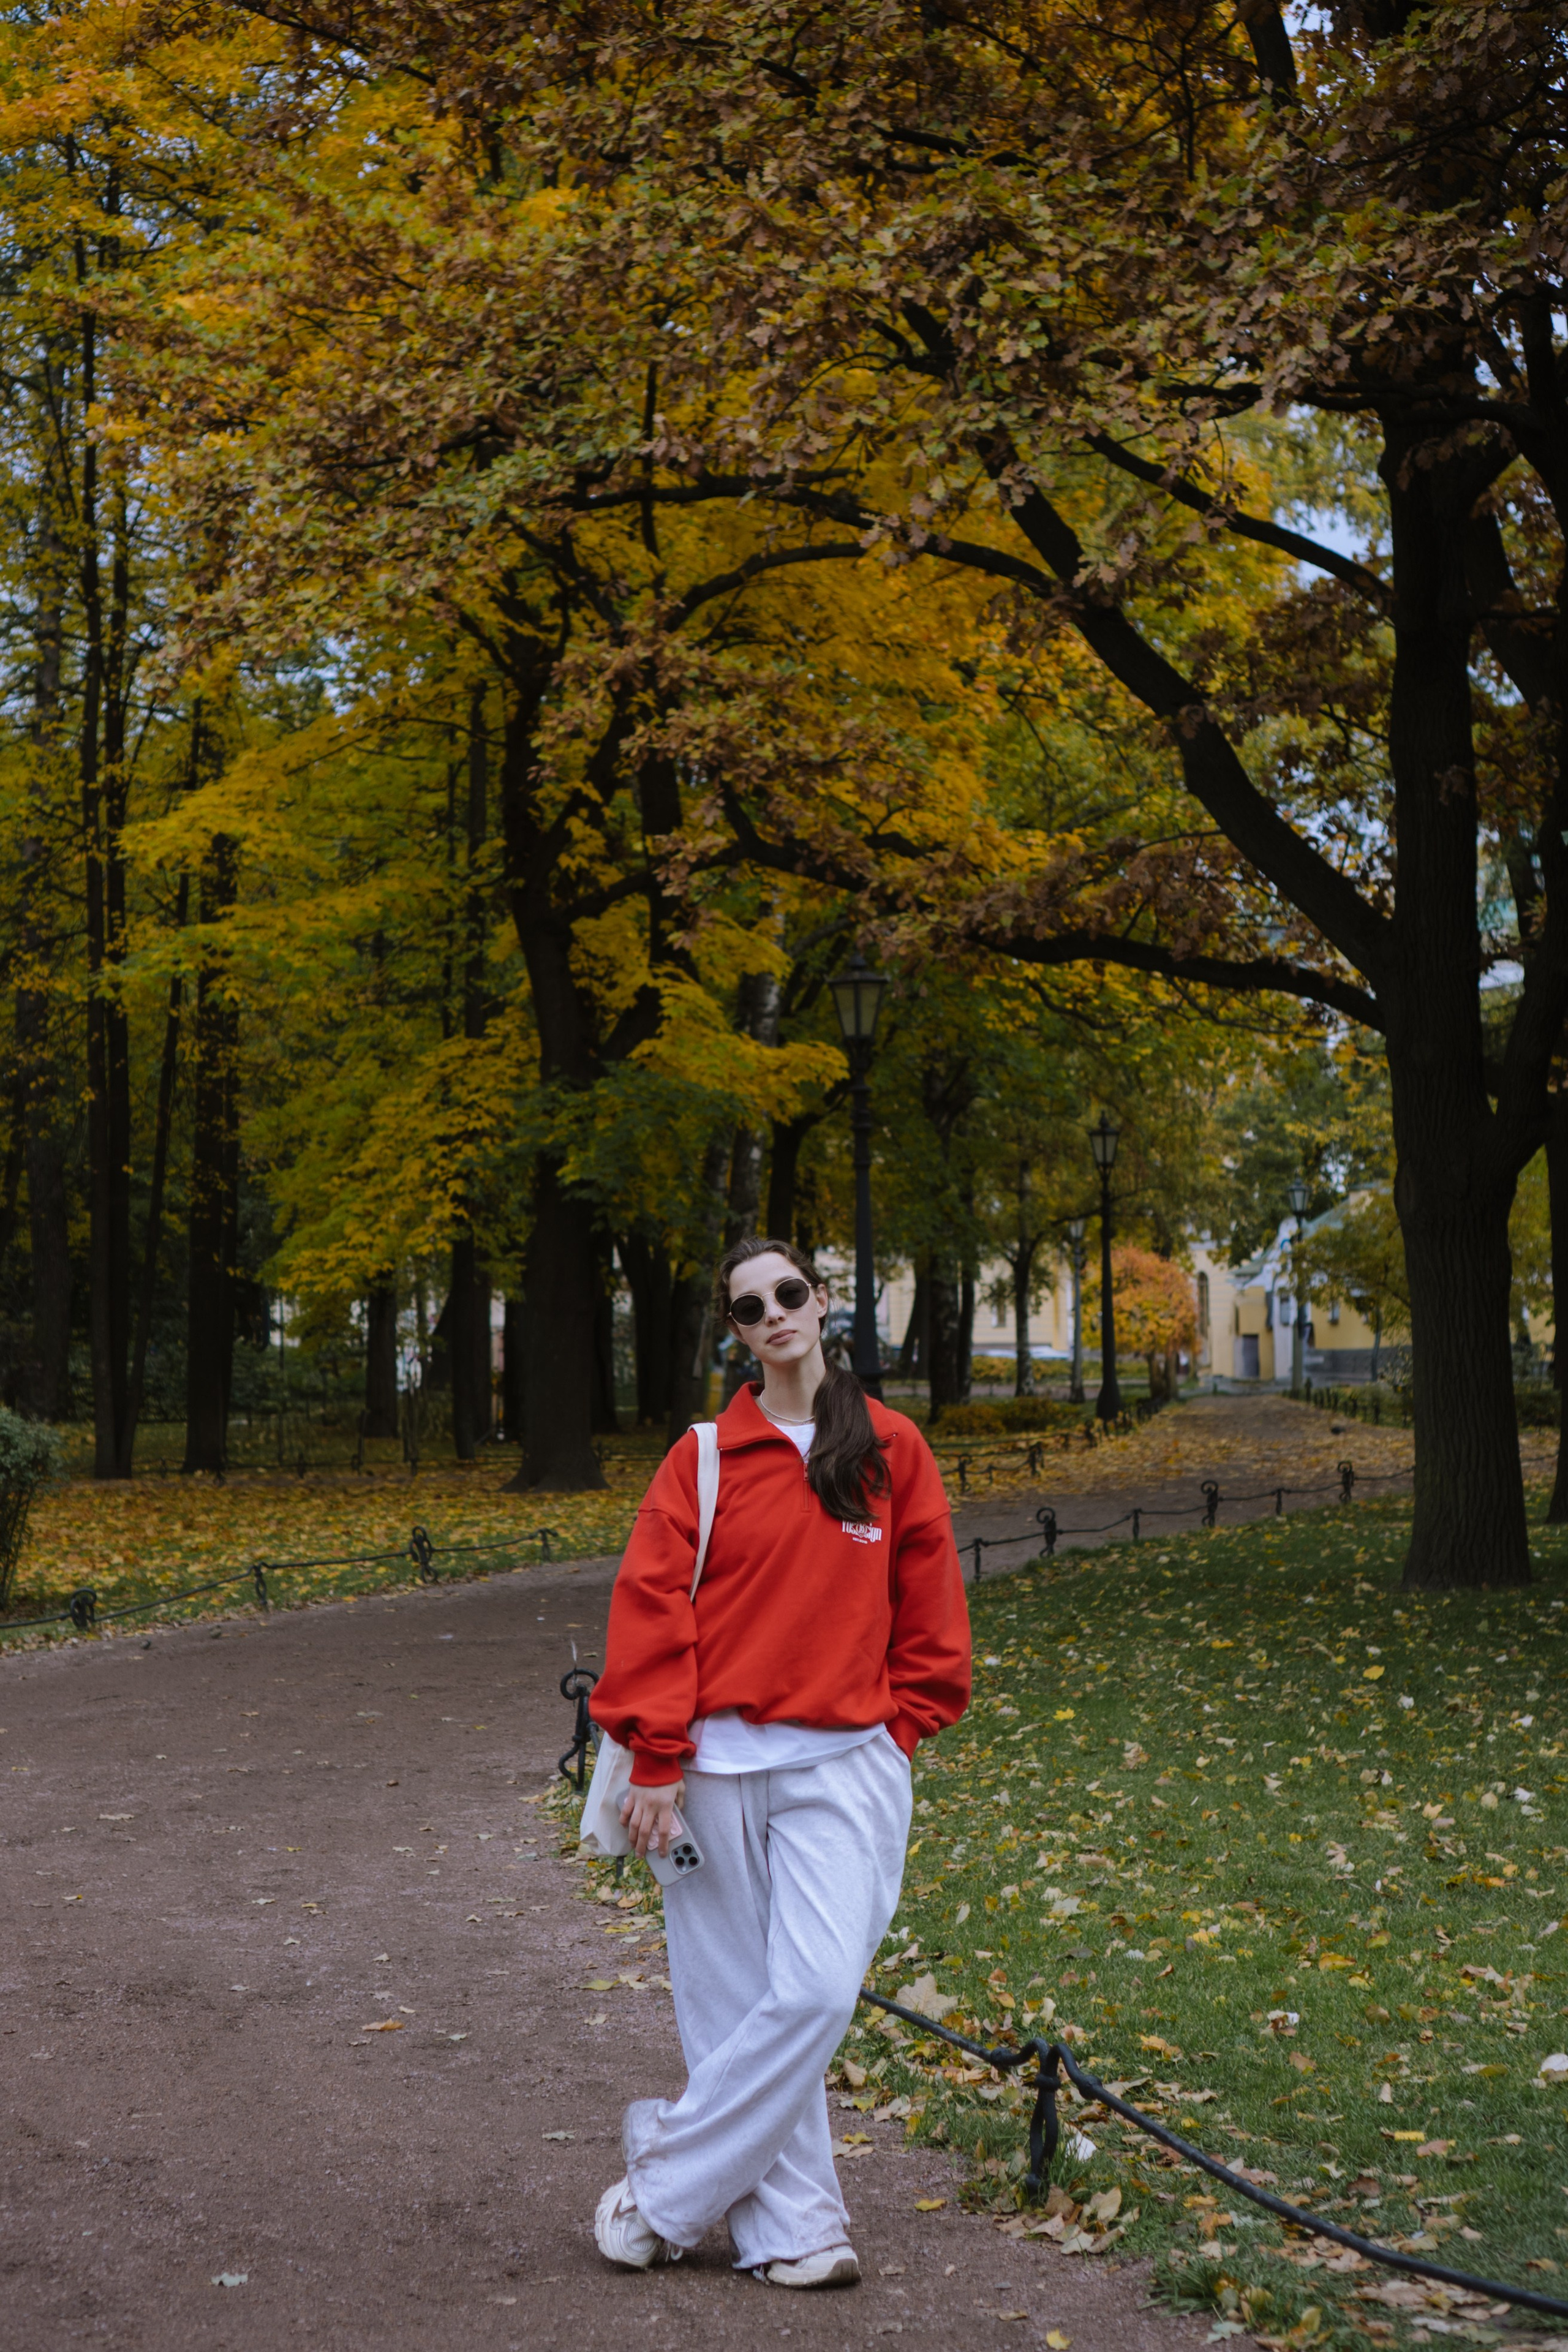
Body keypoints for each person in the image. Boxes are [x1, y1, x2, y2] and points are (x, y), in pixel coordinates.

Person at [587, 1235, 971, 2289]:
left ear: (824, 1300)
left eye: (791, 1294)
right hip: (707, 1769)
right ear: (738, 1331)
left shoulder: (890, 1446)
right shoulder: (703, 1456)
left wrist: (900, 1726)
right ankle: (797, 2231)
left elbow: (931, 1614)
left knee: (808, 1994)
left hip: (846, 1763)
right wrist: (656, 1759)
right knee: (729, 2007)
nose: (776, 1317)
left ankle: (661, 2188)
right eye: (752, 1308)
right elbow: (654, 1606)